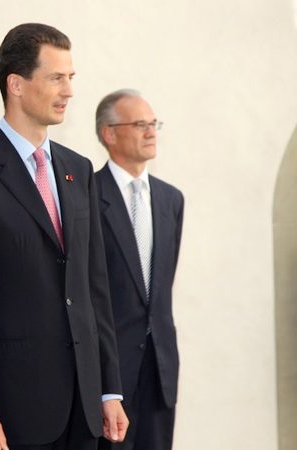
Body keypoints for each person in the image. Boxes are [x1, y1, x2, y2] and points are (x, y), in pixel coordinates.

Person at [0, 23, 129, 450]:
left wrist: (109, 389)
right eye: (56, 77)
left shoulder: (79, 171)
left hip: (84, 408)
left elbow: (95, 289)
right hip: (10, 410)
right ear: (16, 85)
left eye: (70, 78)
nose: (69, 90)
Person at [94, 90, 183, 450]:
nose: (151, 132)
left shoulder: (170, 199)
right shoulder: (86, 195)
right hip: (110, 372)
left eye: (153, 124)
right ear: (109, 133)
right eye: (140, 124)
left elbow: (161, 287)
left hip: (160, 370)